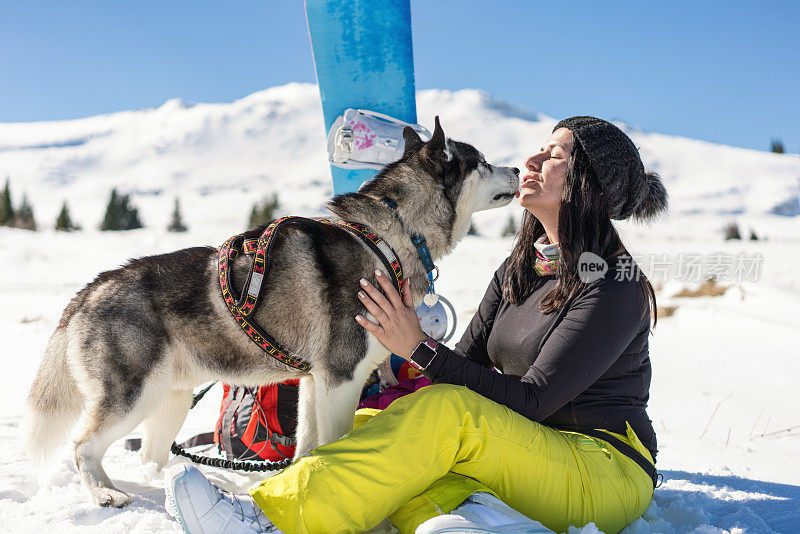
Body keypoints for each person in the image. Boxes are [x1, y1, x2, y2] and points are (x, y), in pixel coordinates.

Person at [165, 116, 669, 534]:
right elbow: (467, 365)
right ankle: (466, 524)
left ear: (594, 189)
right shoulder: (522, 269)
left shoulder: (612, 286)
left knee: (445, 415)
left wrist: (418, 346)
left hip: (600, 471)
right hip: (517, 457)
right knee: (376, 427)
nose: (532, 161)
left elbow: (535, 400)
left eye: (557, 156)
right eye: (540, 148)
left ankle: (266, 520)